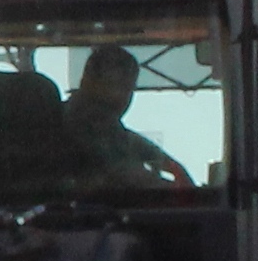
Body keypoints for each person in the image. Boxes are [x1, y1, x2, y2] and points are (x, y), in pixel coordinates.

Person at [65, 45, 193, 191]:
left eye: (128, 88)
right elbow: (126, 176)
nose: (122, 97)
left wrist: (169, 164)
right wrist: (177, 189)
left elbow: (130, 141)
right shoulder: (86, 124)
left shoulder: (95, 121)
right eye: (115, 85)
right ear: (89, 82)